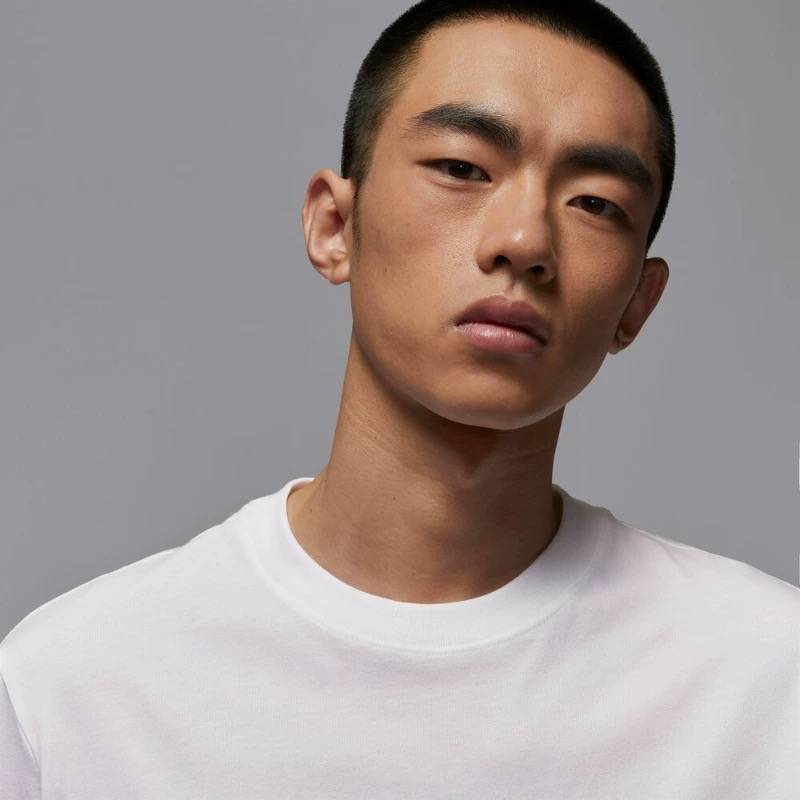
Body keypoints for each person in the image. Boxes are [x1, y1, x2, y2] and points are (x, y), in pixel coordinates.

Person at [1, 1, 797, 797]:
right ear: (333, 226)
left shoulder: (765, 682)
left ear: (637, 306)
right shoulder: (72, 689)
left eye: (596, 203)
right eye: (462, 168)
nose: (524, 242)